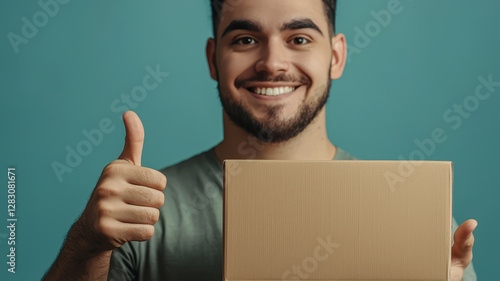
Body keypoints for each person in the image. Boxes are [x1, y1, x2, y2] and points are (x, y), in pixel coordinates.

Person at [43, 0, 478, 280]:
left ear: (337, 56)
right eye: (247, 39)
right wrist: (86, 245)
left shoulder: (407, 214)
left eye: (299, 38)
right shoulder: (143, 210)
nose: (272, 63)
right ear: (214, 59)